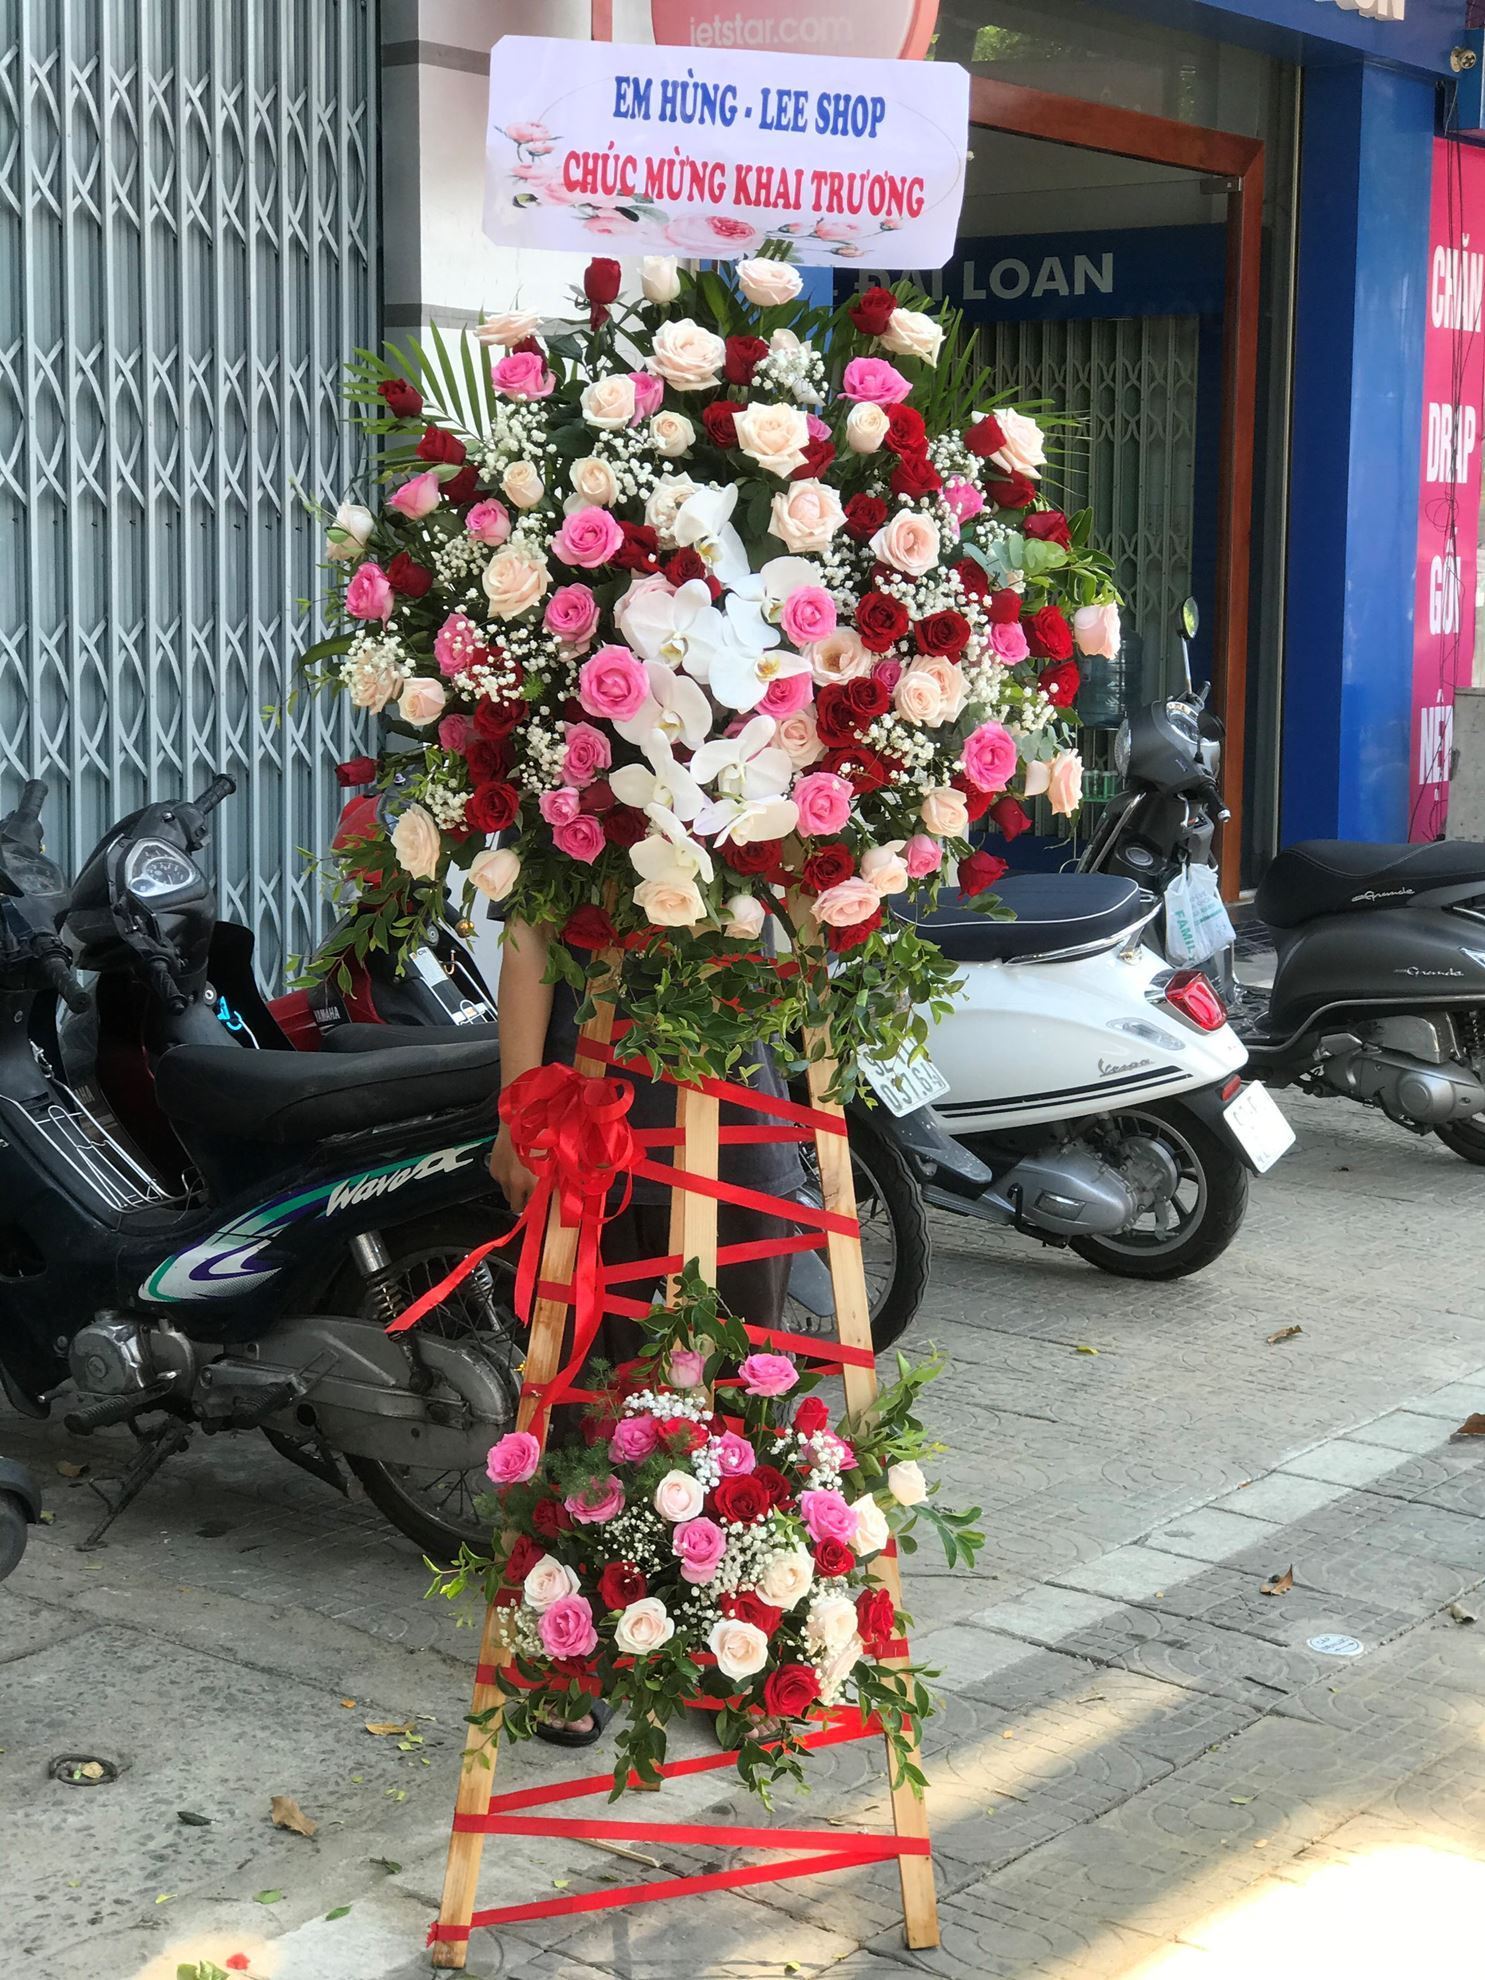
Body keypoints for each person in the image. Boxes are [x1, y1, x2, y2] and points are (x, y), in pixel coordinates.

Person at [490, 916, 804, 1743]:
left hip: (738, 1124)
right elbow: (526, 936)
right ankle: (577, 1646)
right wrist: (516, 1113)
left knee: (740, 1408)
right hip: (596, 1120)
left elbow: (808, 934)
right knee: (596, 1406)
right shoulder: (553, 824)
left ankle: (741, 1653)